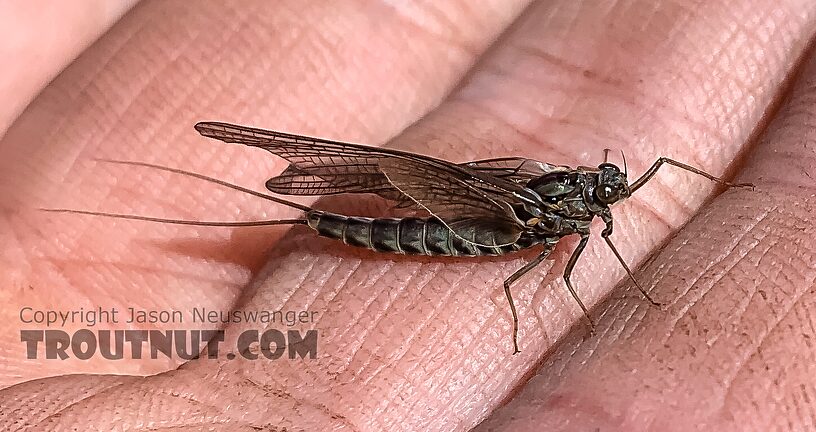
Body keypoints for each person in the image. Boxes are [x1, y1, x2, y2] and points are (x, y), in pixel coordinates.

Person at [1, 1, 814, 430]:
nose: (614, 184)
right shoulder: (564, 217)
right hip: (467, 223)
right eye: (605, 184)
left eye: (607, 183)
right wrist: (604, 299)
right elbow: (544, 277)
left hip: (486, 214)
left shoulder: (572, 207)